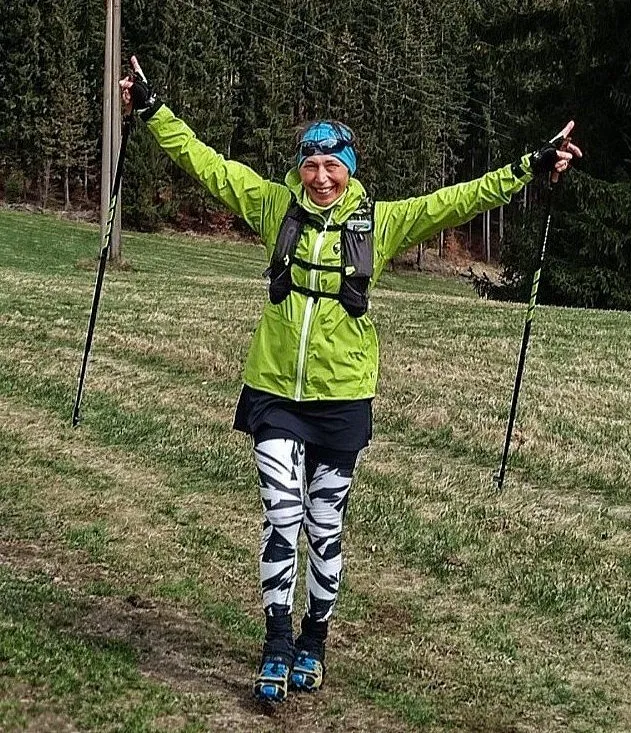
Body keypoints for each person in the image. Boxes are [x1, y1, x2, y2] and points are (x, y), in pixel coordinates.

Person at [120, 56, 581, 703]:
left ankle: (314, 638)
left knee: (323, 523)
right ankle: (277, 643)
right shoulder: (272, 204)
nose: (320, 177)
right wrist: (151, 110)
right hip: (274, 390)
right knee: (282, 516)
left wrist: (531, 166)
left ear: (350, 170)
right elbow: (206, 163)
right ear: (299, 168)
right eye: (311, 164)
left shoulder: (380, 223)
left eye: (332, 166)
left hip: (342, 399)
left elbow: (460, 199)